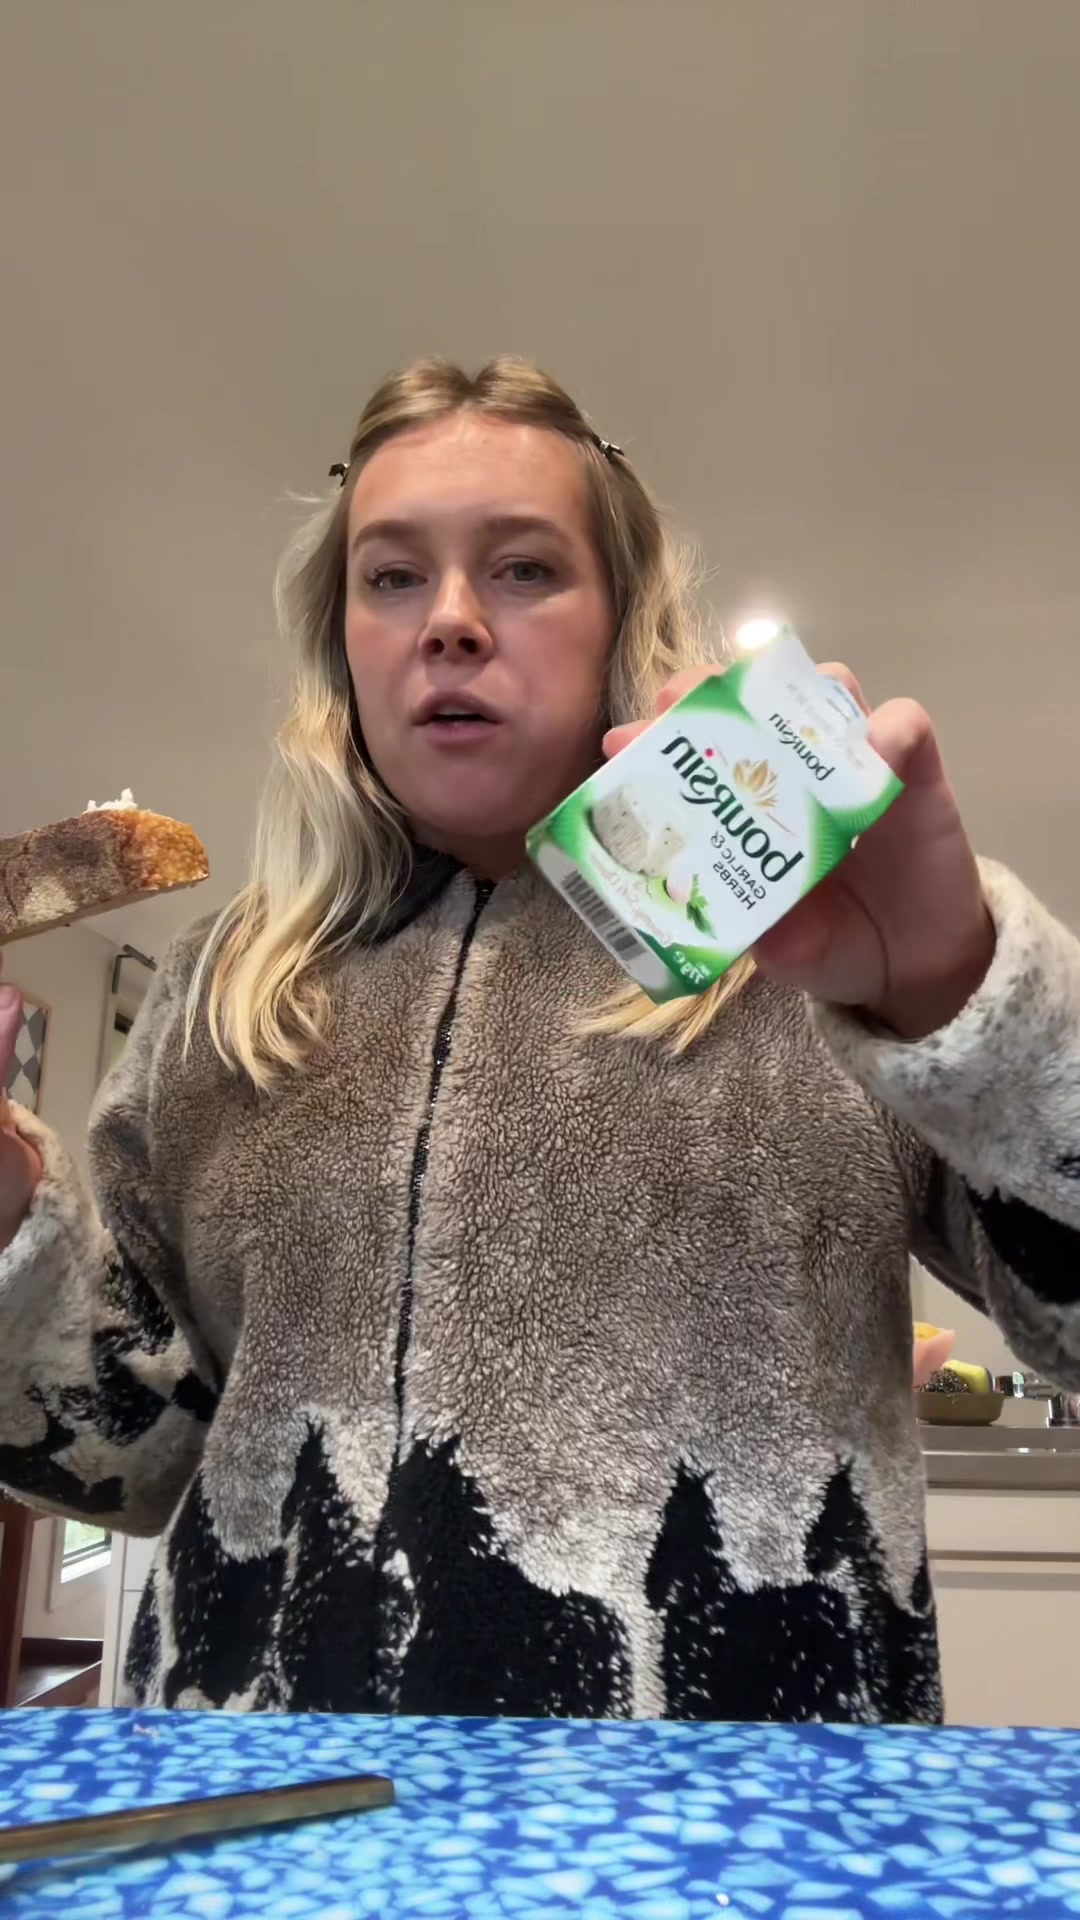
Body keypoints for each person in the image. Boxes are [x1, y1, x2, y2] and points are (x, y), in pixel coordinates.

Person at [1, 356, 1078, 1723]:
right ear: (343, 641)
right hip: (270, 1813)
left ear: (620, 618)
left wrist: (962, 992)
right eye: (394, 576)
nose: (451, 620)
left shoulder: (810, 964)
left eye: (524, 569)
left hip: (739, 1825)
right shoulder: (226, 987)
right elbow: (130, 1460)